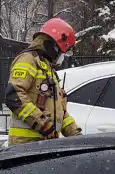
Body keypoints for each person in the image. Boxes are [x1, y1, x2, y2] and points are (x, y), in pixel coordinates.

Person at [5, 18, 82, 146]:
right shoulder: (28, 60)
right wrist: (43, 124)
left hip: (44, 145)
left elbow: (60, 112)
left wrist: (76, 135)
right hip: (25, 146)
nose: (62, 56)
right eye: (62, 51)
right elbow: (14, 96)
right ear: (53, 45)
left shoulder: (48, 69)